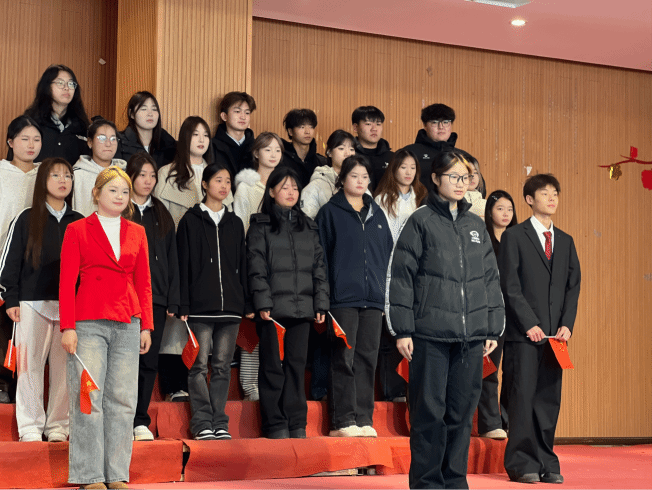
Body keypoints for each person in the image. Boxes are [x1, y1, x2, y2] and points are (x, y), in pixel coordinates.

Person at [387, 149, 504, 490]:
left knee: (462, 414)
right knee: (429, 413)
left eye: (465, 177)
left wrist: (492, 326)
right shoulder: (420, 221)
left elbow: (490, 279)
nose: (460, 183)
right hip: (430, 335)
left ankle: (454, 482)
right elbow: (401, 278)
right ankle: (427, 483)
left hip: (470, 338)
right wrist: (403, 329)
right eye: (453, 176)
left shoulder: (475, 225)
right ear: (436, 179)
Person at [60, 166, 153, 490]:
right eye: (113, 190)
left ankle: (116, 474)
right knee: (88, 397)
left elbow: (144, 281)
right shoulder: (77, 229)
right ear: (96, 193)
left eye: (125, 192)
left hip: (128, 321)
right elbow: (66, 281)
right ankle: (89, 475)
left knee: (123, 399)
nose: (120, 196)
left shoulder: (137, 231)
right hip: (88, 321)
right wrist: (67, 327)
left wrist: (146, 325)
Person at [500, 174, 581, 484]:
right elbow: (509, 284)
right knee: (521, 398)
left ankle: (547, 461)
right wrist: (528, 322)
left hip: (555, 337)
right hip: (523, 335)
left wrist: (567, 324)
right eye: (545, 193)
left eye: (555, 193)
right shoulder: (514, 236)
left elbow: (573, 286)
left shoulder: (566, 240)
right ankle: (521, 463)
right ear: (529, 199)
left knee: (548, 401)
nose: (552, 198)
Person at [0, 158, 82, 442]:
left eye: (67, 175)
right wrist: (11, 298)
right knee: (29, 367)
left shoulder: (80, 221)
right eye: (55, 175)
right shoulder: (26, 218)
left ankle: (58, 426)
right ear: (43, 181)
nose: (63, 180)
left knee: (64, 369)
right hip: (31, 304)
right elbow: (9, 263)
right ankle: (30, 428)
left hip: (70, 307)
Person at [247, 166, 329, 439]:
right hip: (272, 310)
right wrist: (262, 302)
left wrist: (321, 304)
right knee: (272, 366)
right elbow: (256, 267)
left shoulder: (308, 226)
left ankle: (296, 423)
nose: (291, 192)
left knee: (296, 365)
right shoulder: (260, 225)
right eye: (284, 187)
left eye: (295, 187)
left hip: (303, 309)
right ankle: (274, 424)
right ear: (271, 192)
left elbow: (319, 268)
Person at [316, 155, 393, 438]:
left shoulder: (378, 214)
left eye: (364, 177)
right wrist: (324, 298)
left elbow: (387, 254)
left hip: (373, 300)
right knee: (343, 359)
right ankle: (342, 420)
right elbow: (320, 259)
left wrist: (383, 295)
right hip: (342, 299)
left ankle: (363, 418)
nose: (360, 181)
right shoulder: (329, 212)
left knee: (367, 359)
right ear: (342, 179)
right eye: (354, 176)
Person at [177, 164, 253, 440]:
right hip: (200, 307)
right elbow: (182, 264)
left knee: (222, 366)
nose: (224, 186)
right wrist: (183, 304)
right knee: (198, 366)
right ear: (205, 184)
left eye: (228, 181)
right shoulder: (190, 220)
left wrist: (246, 303)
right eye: (218, 180)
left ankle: (219, 421)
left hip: (230, 308)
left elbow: (243, 264)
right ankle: (201, 423)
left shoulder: (235, 223)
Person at [154, 116, 220, 402]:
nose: (201, 140)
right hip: (177, 255)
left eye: (205, 135)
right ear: (184, 139)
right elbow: (159, 217)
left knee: (202, 323)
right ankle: (172, 385)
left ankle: (198, 385)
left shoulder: (216, 172)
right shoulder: (167, 174)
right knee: (174, 326)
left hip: (208, 260)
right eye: (195, 135)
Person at [126, 153, 180, 441]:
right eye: (142, 175)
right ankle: (119, 417)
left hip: (155, 298)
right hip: (123, 298)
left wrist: (174, 296)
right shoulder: (120, 208)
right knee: (123, 361)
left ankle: (139, 420)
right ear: (131, 177)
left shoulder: (161, 212)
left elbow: (173, 258)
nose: (147, 181)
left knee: (148, 362)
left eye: (152, 176)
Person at [233, 131, 284, 401]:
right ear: (256, 153)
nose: (273, 154)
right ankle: (250, 387)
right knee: (252, 327)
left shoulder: (284, 186)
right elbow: (239, 226)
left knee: (274, 329)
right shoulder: (246, 188)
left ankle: (271, 388)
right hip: (253, 262)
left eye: (277, 150)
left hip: (279, 268)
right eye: (267, 149)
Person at [372, 149, 427, 402]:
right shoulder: (382, 199)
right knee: (392, 331)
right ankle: (392, 389)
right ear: (393, 169)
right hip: (390, 268)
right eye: (403, 167)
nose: (408, 172)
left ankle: (413, 389)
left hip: (419, 271)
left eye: (413, 167)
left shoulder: (423, 197)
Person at [0, 116, 43, 404]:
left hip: (33, 261)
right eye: (24, 139)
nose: (31, 145)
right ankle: (3, 382)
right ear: (10, 142)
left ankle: (21, 387)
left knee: (25, 325)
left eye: (36, 139)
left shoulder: (46, 174)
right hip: (2, 254)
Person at [476, 190, 518, 440]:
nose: (505, 214)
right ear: (489, 211)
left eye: (509, 209)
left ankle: (508, 420)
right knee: (489, 369)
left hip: (517, 314)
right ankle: (490, 422)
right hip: (491, 312)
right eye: (500, 208)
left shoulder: (519, 240)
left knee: (514, 372)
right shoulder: (483, 239)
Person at [23, 64, 90, 165]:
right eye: (60, 83)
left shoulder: (82, 125)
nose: (66, 88)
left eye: (71, 84)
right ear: (47, 87)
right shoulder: (30, 122)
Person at [73, 118, 127, 216]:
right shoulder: (77, 174)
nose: (108, 144)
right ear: (90, 142)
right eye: (102, 138)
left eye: (113, 139)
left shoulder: (124, 174)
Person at [300, 130, 356, 220]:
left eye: (351, 149)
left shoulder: (360, 182)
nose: (348, 153)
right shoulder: (316, 186)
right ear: (329, 152)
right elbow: (307, 223)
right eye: (341, 148)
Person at [402, 103, 458, 191]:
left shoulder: (461, 156)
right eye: (434, 122)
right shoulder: (409, 153)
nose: (441, 127)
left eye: (446, 122)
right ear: (425, 125)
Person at [117, 91, 176, 169]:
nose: (150, 114)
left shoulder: (168, 144)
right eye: (144, 109)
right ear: (131, 114)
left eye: (154, 109)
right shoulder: (119, 143)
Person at [211, 92, 256, 180]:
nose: (243, 117)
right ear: (224, 116)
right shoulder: (212, 146)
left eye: (247, 113)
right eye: (237, 111)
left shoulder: (258, 147)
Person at [351, 106, 394, 192]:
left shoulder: (392, 157)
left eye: (378, 124)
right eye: (368, 124)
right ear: (355, 127)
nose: (374, 129)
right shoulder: (349, 155)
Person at [281, 109, 327, 188]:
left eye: (311, 127)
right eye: (302, 127)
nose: (307, 131)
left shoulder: (322, 162)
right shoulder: (281, 160)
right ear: (290, 131)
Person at [458, 150, 486, 218]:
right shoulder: (453, 203)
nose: (472, 176)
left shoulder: (486, 204)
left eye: (476, 172)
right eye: (468, 172)